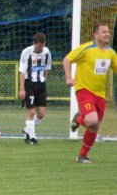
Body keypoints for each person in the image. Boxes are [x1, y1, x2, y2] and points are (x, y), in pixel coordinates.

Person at [63, 23, 117, 164]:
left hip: (100, 94)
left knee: (94, 126)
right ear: (95, 35)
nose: (107, 34)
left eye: (108, 32)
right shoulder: (87, 48)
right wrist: (68, 77)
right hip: (84, 90)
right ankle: (78, 119)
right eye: (103, 32)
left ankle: (82, 156)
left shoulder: (111, 53)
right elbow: (67, 59)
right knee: (92, 120)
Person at [18, 32, 52, 145]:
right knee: (31, 111)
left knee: (41, 113)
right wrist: (22, 89)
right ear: (34, 43)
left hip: (41, 84)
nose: (41, 48)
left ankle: (27, 130)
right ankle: (32, 138)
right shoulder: (26, 52)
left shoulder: (47, 52)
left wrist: (43, 81)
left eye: (43, 45)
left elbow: (46, 69)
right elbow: (22, 72)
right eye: (39, 46)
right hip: (29, 84)